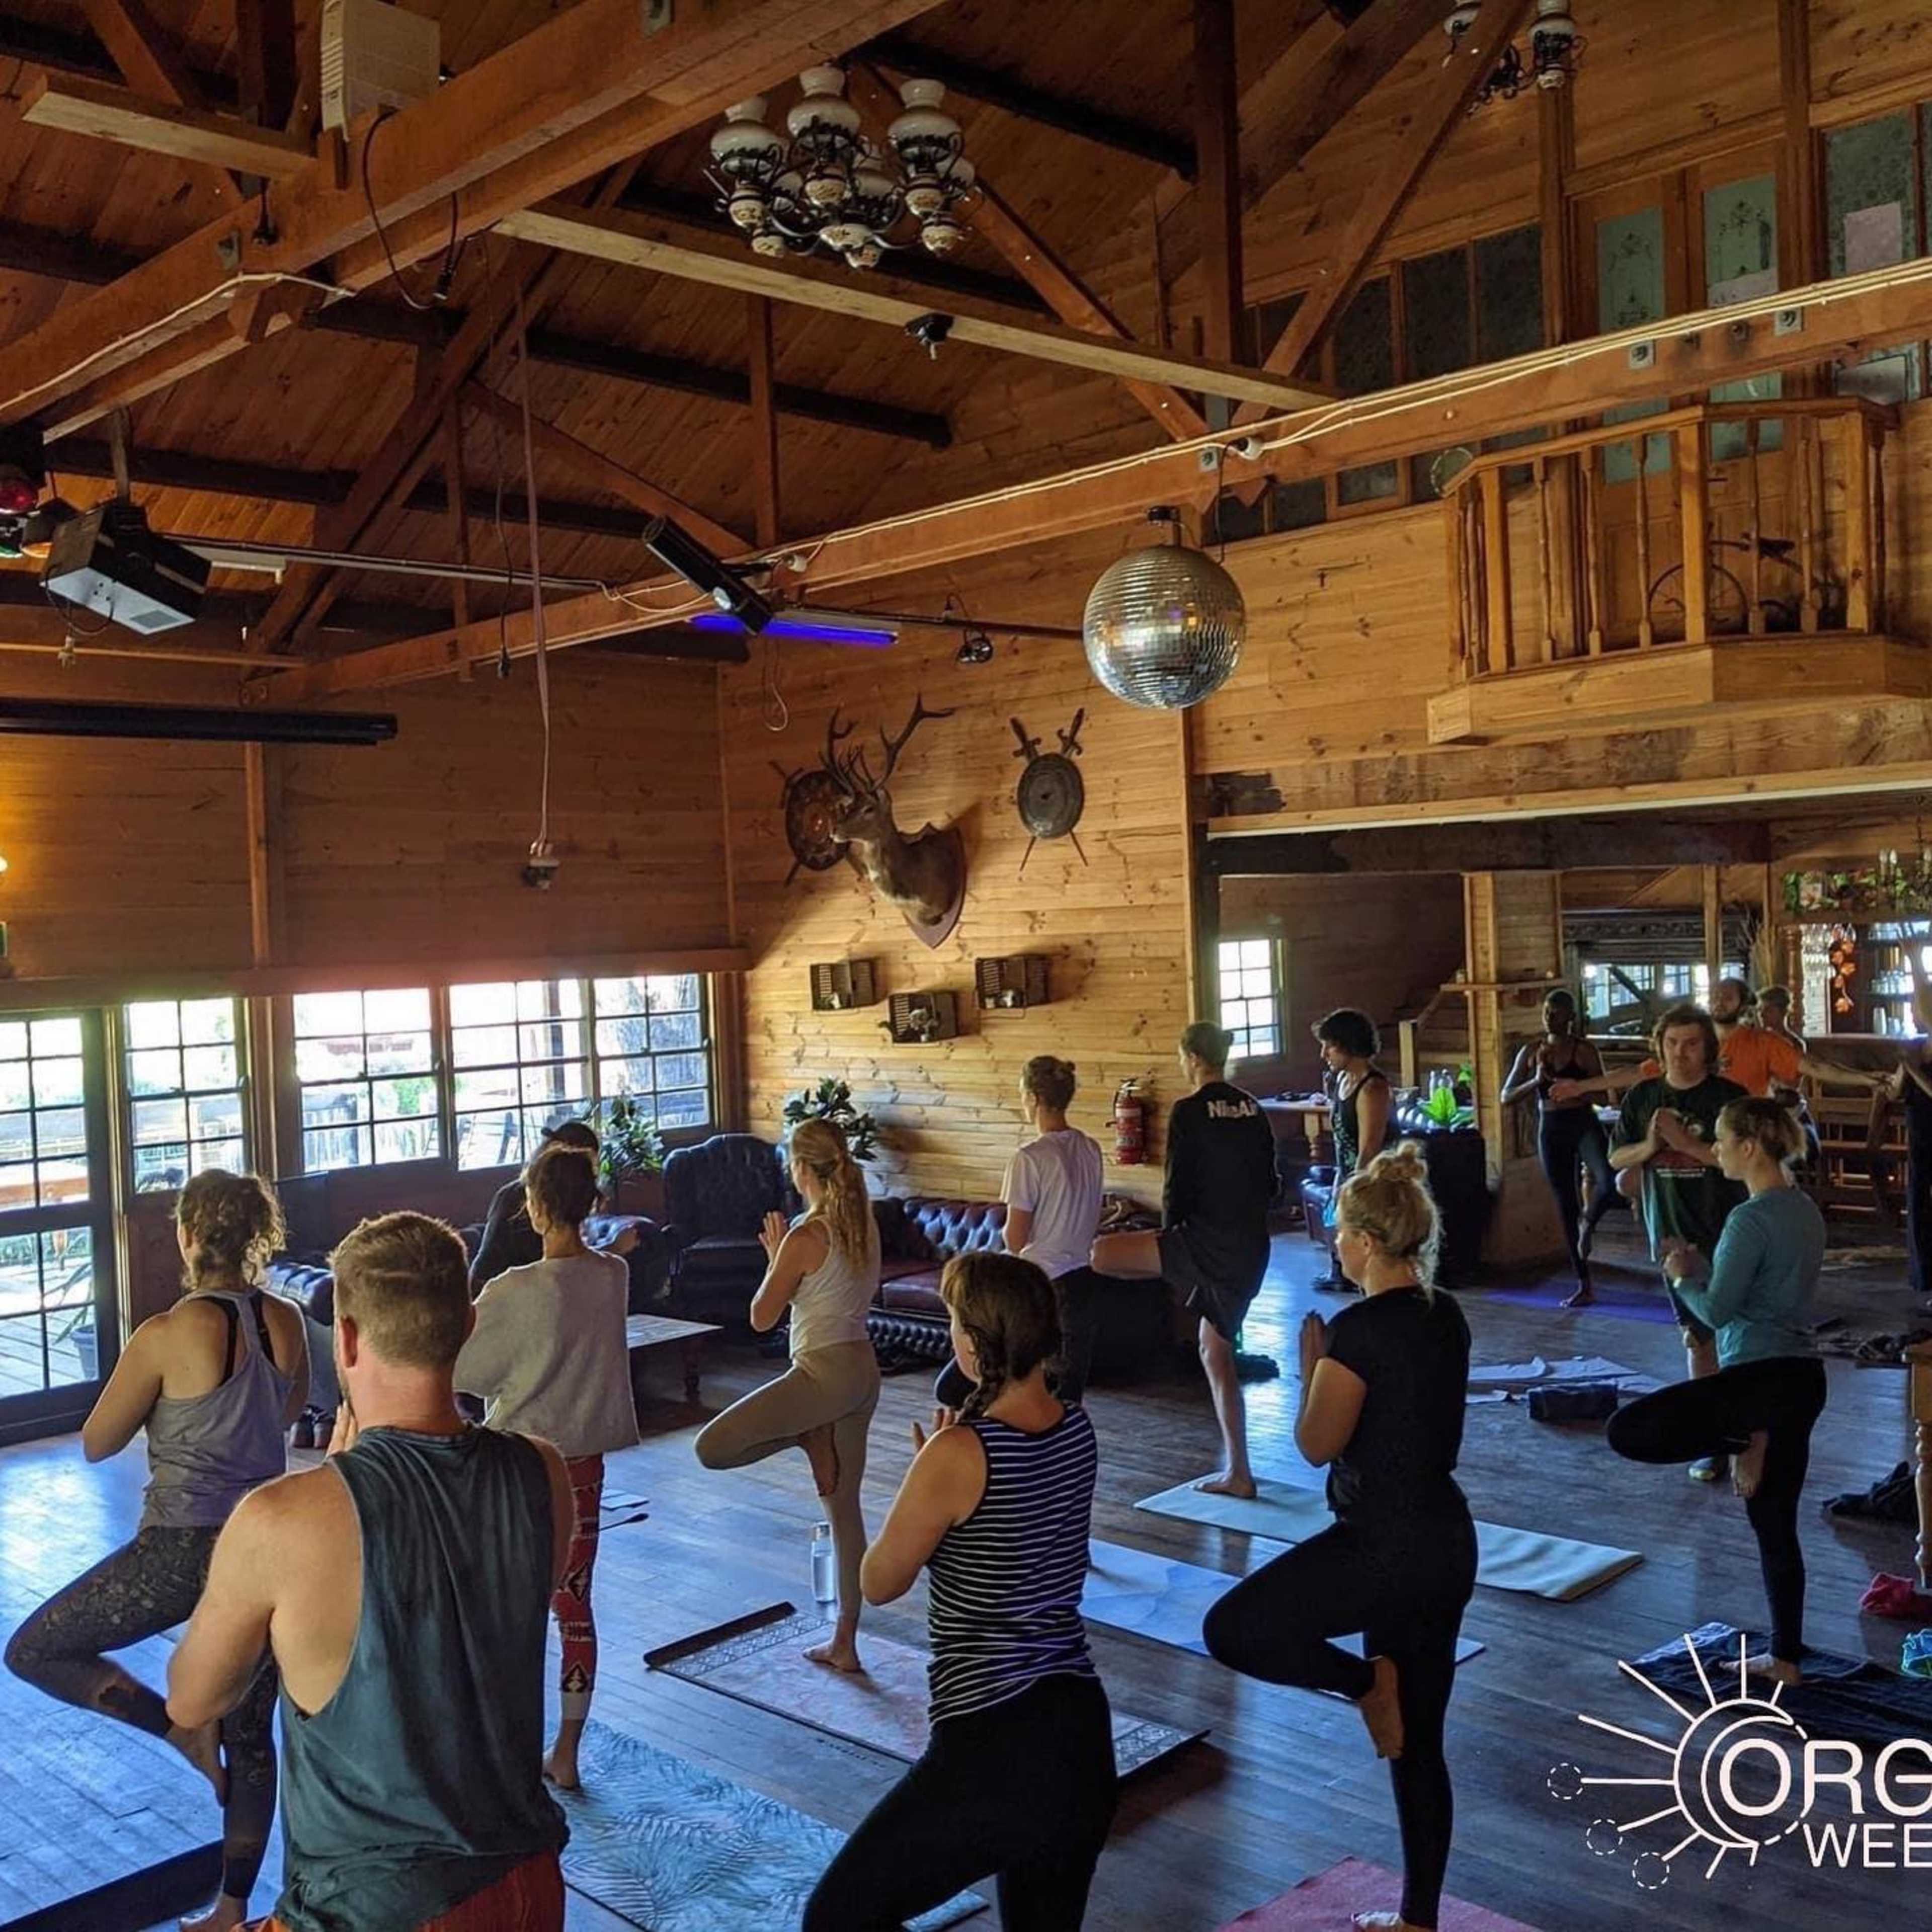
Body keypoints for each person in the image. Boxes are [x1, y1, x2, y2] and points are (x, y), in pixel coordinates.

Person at [166, 1212, 575, 1932]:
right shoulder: (543, 1471)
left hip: (372, 1910)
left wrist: (330, 1489)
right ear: (468, 1323)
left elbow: (193, 1700)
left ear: (347, 1339)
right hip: (528, 1888)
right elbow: (474, 1624)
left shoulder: (283, 1519)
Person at [6, 1170, 305, 1932]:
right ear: (257, 1239)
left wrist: (164, 1410)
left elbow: (98, 1443)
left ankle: (176, 1727)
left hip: (178, 1551)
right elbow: (291, 1410)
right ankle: (232, 1910)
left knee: (36, 1649)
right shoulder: (288, 1321)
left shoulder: (167, 1333)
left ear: (185, 1236)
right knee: (252, 1736)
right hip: (265, 1548)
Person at [1202, 1144, 1474, 1932]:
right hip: (1446, 1542)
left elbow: (1319, 1445)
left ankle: (1363, 1685)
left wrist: (1311, 1364)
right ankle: (1418, 1918)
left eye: (1337, 1230)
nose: (1333, 1241)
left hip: (1380, 1546)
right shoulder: (1443, 1311)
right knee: (1419, 1745)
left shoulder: (1354, 1333)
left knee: (1236, 1628)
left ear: (1361, 1241)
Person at [803, 1253, 1117, 1932]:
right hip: (1082, 1737)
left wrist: (924, 1477)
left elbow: (879, 1583)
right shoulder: (1078, 1429)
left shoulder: (958, 1454)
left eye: (953, 1323)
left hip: (994, 1748)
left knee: (835, 1920)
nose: (950, 1336)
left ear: (975, 1343)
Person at [1607, 1097, 1829, 1685]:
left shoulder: (1748, 1219)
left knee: (1627, 1430)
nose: (1717, 1150)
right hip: (1804, 1379)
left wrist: (1682, 1275)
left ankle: (1742, 1437)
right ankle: (1785, 1656)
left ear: (1751, 1148)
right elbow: (1762, 1293)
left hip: (1756, 1381)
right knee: (1776, 1526)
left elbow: (1716, 1312)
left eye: (1725, 1141)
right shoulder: (1804, 1209)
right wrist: (1707, 1267)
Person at [456, 1140, 637, 1791]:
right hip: (583, 1464)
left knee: (506, 1608)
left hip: (516, 1464)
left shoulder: (514, 1289)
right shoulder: (613, 1276)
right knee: (574, 1606)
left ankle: (502, 1749)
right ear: (592, 1205)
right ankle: (565, 1752)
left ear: (533, 1207)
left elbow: (467, 1372)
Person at [695, 1116, 881, 1672]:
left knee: (712, 1448)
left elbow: (760, 1317)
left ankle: (805, 1433)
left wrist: (777, 1258)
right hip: (862, 1373)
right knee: (844, 1512)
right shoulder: (861, 1224)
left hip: (821, 1377)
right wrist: (785, 1256)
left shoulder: (805, 1236)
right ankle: (845, 1643)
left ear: (801, 1169)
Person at [1091, 1021, 1276, 1499]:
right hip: (1251, 1247)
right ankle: (1239, 1471)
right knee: (1215, 1354)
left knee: (1097, 1254)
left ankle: (1239, 1472)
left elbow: (1178, 1184)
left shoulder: (1190, 1111)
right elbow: (1272, 1183)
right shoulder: (1253, 1108)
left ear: (1192, 1058)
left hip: (1203, 1245)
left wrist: (1170, 1234)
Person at [1611, 1005, 1748, 1482]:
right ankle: (1711, 1438)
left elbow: (1741, 1161)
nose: (1681, 1053)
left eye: (1691, 1044)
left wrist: (1683, 1142)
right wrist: (1650, 1147)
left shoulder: (1729, 1099)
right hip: (1669, 1230)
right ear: (1660, 1045)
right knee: (1696, 1336)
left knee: (1739, 1333)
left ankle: (1748, 1434)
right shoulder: (1644, 1097)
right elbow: (1616, 1157)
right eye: (1672, 1043)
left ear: (1708, 1048)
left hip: (1728, 1227)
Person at [936, 1055, 1104, 1412]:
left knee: (972, 1389)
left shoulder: (1029, 1158)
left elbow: (1016, 1238)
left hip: (1039, 1288)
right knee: (1066, 1400)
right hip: (1084, 1283)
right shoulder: (1091, 1148)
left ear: (1033, 1097)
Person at [1501, 990, 1618, 1308]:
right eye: (1547, 1012)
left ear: (1571, 1017)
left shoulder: (1585, 1051)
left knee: (1609, 1180)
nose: (1549, 1018)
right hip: (1551, 1129)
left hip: (1582, 1122)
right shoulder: (1532, 1051)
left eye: (1556, 1013)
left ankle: (1589, 1222)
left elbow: (1606, 1096)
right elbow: (1506, 1095)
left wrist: (1575, 1092)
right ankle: (1584, 1284)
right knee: (1566, 1204)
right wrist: (1536, 1081)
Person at [466, 1118, 626, 1297]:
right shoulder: (527, 1199)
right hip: (495, 1294)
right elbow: (557, 1266)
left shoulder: (521, 1192)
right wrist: (614, 1247)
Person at [1315, 1009, 1392, 1290]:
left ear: (1348, 1045)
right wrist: (1339, 1182)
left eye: (1330, 1046)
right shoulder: (1340, 1081)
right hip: (1348, 1176)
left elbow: (1369, 1149)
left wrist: (1353, 1193)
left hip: (1374, 1185)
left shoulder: (1373, 1088)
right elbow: (1340, 1141)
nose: (1325, 1054)